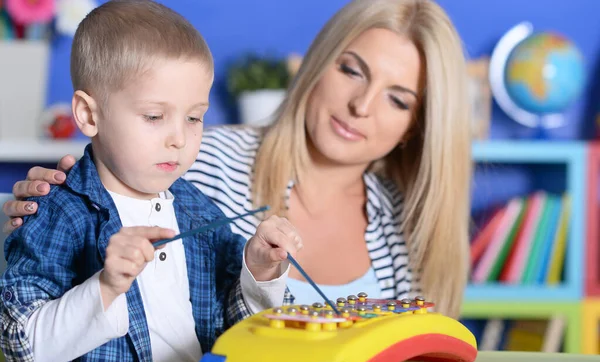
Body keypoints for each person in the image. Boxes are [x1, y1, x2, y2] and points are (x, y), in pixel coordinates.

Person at [3, 0, 471, 319]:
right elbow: (70, 270)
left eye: (399, 100)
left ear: (417, 125)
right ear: (315, 63)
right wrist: (41, 211)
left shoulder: (406, 223)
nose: (361, 106)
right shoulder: (191, 158)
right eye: (351, 70)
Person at [0, 1, 302, 362]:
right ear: (89, 115)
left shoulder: (197, 208)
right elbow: (22, 345)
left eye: (194, 117)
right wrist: (106, 286)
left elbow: (239, 328)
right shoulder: (59, 214)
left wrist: (259, 271)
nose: (179, 137)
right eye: (155, 116)